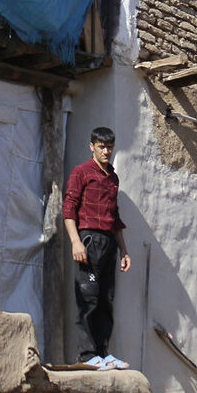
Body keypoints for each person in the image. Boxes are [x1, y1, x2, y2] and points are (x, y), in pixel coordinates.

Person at [63, 127, 133, 370]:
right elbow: (69, 208)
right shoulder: (81, 172)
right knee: (88, 298)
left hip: (108, 243)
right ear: (91, 146)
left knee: (106, 299)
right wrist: (75, 241)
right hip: (88, 241)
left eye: (110, 147)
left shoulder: (112, 177)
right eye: (102, 146)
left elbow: (115, 218)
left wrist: (123, 251)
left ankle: (103, 353)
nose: (106, 151)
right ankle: (86, 355)